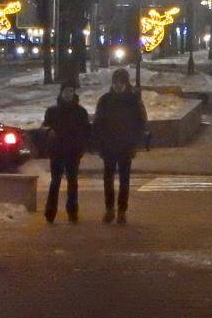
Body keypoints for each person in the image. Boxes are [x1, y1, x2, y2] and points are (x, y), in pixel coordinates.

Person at [94, 68, 148, 225]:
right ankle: (109, 208)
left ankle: (122, 211)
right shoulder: (105, 100)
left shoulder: (133, 101)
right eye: (115, 82)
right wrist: (99, 144)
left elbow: (141, 124)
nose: (118, 85)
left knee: (124, 180)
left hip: (125, 146)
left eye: (121, 82)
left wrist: (134, 144)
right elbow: (98, 124)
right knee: (108, 179)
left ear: (126, 83)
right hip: (108, 146)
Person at [42, 82, 91, 224]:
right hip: (57, 151)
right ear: (61, 93)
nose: (68, 94)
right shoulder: (52, 111)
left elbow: (86, 132)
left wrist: (81, 148)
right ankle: (50, 212)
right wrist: (49, 136)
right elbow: (46, 128)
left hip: (73, 152)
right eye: (66, 91)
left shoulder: (80, 112)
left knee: (72, 182)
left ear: (74, 93)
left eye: (71, 91)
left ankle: (72, 212)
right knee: (55, 182)